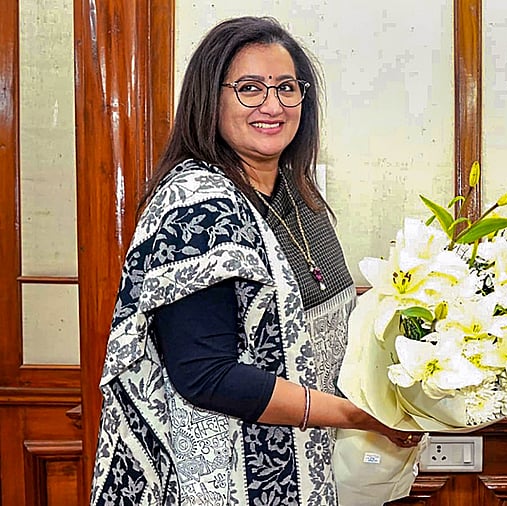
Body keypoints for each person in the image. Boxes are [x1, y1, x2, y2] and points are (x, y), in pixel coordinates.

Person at [90, 16, 420, 505]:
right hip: (225, 474)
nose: (273, 105)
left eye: (287, 88)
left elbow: (300, 308)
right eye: (249, 88)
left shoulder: (296, 193)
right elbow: (207, 375)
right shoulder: (198, 205)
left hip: (302, 459)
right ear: (210, 98)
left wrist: (418, 302)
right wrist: (355, 415)